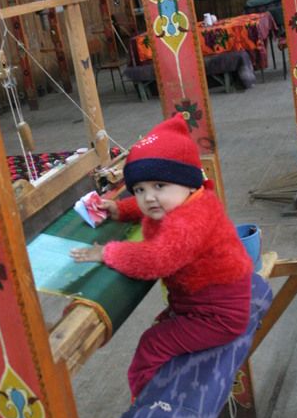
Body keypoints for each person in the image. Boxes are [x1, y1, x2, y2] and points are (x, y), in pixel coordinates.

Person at [70, 114, 254, 399]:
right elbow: (153, 206)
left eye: (159, 186)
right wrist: (119, 209)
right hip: (211, 300)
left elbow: (156, 259)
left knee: (152, 344)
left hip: (218, 315)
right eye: (140, 189)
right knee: (163, 329)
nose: (148, 197)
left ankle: (150, 405)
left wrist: (106, 252)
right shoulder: (187, 199)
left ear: (189, 183)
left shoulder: (191, 221)